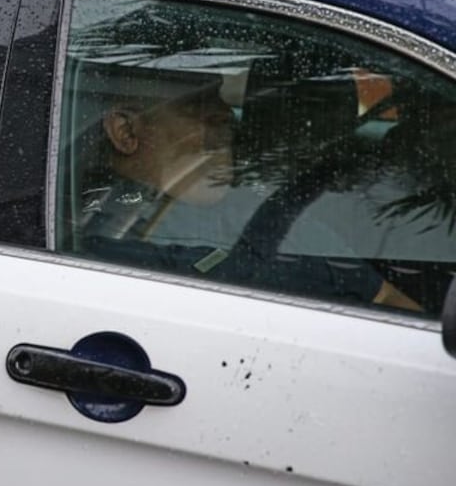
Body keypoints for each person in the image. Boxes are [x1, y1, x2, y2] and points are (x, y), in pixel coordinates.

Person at [75, 62, 423, 313]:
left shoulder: (264, 211)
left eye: (220, 98)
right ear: (126, 132)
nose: (226, 113)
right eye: (199, 104)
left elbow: (387, 301)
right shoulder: (85, 244)